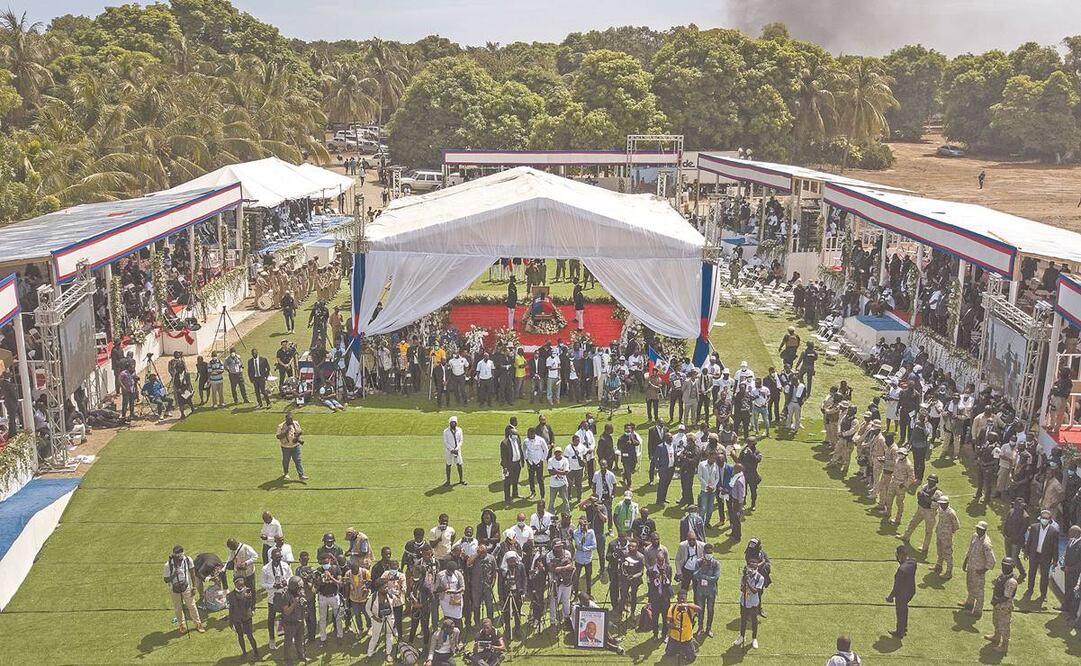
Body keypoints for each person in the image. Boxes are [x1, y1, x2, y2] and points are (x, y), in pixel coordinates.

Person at [163, 545, 205, 635]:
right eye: (178, 558)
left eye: (181, 558)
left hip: (186, 587)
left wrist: (194, 587)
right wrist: (174, 575)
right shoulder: (168, 565)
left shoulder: (187, 560)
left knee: (192, 606)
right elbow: (166, 579)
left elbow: (192, 573)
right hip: (174, 589)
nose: (180, 560)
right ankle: (182, 625)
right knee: (178, 607)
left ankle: (198, 624)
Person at [1023, 509, 1060, 602]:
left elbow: (1055, 547)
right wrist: (1026, 552)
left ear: (1050, 520)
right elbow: (1029, 541)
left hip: (1046, 557)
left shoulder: (1054, 531)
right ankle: (1029, 590)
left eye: (1046, 518)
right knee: (1031, 573)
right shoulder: (1034, 527)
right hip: (1034, 555)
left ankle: (1043, 594)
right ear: (1040, 518)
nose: (1044, 519)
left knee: (1044, 576)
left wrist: (1055, 560)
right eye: (1043, 518)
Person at [900, 474, 942, 553]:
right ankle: (906, 536)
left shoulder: (938, 493)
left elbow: (939, 505)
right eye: (929, 480)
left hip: (930, 512)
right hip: (921, 509)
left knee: (928, 531)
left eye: (932, 481)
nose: (930, 482)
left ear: (936, 482)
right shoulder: (925, 486)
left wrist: (930, 501)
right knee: (912, 523)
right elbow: (920, 494)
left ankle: (925, 547)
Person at [962, 520, 997, 616]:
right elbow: (970, 549)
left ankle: (977, 611)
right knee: (970, 585)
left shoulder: (986, 544)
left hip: (978, 570)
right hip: (971, 567)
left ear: (985, 530)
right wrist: (965, 561)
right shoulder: (975, 536)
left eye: (980, 529)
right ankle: (969, 603)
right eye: (977, 528)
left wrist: (983, 570)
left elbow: (992, 561)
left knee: (979, 591)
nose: (978, 530)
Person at [261, 547, 290, 648]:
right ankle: (272, 639)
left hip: (284, 595)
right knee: (271, 618)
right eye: (277, 558)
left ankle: (283, 634)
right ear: (272, 557)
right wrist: (272, 586)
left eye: (280, 557)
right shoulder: (265, 569)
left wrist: (286, 581)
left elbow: (291, 577)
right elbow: (262, 584)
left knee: (285, 616)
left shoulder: (285, 565)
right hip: (272, 596)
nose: (279, 559)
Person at [226, 574, 259, 661]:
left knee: (250, 636)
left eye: (242, 583)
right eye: (239, 583)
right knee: (240, 636)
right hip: (237, 619)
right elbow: (231, 608)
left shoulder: (248, 591)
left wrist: (249, 600)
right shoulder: (231, 595)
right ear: (235, 584)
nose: (241, 584)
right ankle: (244, 652)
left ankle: (256, 652)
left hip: (246, 618)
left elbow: (249, 606)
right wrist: (230, 621)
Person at [886, 545, 916, 639]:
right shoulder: (913, 562)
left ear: (900, 555)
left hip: (902, 594)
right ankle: (904, 628)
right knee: (904, 609)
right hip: (910, 591)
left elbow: (897, 586)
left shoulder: (901, 570)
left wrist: (891, 596)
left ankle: (900, 632)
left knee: (900, 612)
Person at [277, 576, 308, 666]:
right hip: (289, 623)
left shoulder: (299, 593)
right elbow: (286, 612)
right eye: (300, 586)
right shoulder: (285, 595)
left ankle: (301, 655)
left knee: (300, 639)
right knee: (288, 642)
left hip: (299, 620)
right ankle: (287, 660)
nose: (301, 588)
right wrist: (295, 603)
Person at [735, 560, 765, 649]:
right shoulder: (744, 576)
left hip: (753, 603)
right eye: (750, 567)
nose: (751, 569)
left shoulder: (760, 578)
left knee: (754, 621)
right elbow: (741, 589)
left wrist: (747, 582)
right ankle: (741, 636)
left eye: (753, 568)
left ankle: (754, 638)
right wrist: (744, 584)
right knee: (743, 620)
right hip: (744, 601)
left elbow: (755, 591)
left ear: (756, 569)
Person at [692, 543, 720, 637]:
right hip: (700, 591)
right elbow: (695, 576)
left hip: (711, 591)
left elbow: (715, 578)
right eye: (707, 552)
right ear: (703, 552)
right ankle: (700, 628)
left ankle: (709, 628)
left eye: (710, 552)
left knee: (710, 609)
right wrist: (701, 569)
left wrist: (703, 577)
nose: (709, 554)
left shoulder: (716, 563)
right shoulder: (699, 562)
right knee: (700, 609)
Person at [665, 591, 700, 661]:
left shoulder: (690, 608)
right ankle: (679, 648)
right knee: (669, 654)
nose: (681, 600)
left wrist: (686, 605)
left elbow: (699, 609)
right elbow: (668, 623)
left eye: (683, 599)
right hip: (674, 638)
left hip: (687, 638)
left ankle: (692, 644)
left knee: (691, 658)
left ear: (686, 599)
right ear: (677, 599)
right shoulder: (672, 608)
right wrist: (676, 628)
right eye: (680, 598)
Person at [931, 496, 960, 578]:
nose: (941, 505)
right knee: (939, 550)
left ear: (947, 503)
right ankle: (938, 566)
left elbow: (956, 525)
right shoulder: (940, 509)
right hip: (939, 532)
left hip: (947, 536)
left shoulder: (951, 513)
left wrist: (950, 533)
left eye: (943, 504)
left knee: (947, 553)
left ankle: (949, 572)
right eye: (940, 503)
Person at [276, 413, 307, 481]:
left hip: (295, 446)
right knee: (286, 460)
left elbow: (299, 431)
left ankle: (301, 475)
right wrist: (286, 431)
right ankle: (286, 473)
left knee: (298, 460)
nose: (291, 421)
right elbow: (278, 436)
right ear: (286, 420)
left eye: (291, 419)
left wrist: (297, 437)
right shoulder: (281, 426)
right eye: (289, 420)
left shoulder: (295, 423)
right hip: (285, 447)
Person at [499, 424, 523, 505]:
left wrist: (521, 461)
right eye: (515, 435)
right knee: (507, 483)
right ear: (510, 434)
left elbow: (520, 450)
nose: (516, 436)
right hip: (509, 465)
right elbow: (503, 457)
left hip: (517, 464)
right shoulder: (504, 443)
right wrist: (505, 468)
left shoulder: (517, 440)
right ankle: (507, 499)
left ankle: (515, 494)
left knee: (515, 480)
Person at [524, 426, 549, 499]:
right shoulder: (526, 441)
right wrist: (526, 460)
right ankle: (533, 492)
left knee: (540, 479)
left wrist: (542, 459)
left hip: (539, 462)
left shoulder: (540, 440)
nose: (528, 435)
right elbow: (524, 450)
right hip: (530, 462)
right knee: (531, 478)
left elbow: (546, 450)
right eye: (528, 434)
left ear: (534, 433)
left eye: (530, 434)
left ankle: (542, 495)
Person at [443, 416, 466, 487]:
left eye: (454, 423)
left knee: (459, 464)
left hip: (457, 450)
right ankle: (448, 481)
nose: (453, 424)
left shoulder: (459, 430)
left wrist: (457, 448)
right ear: (449, 423)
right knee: (448, 464)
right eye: (452, 423)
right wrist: (451, 449)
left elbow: (461, 440)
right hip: (449, 451)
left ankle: (461, 480)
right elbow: (445, 442)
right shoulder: (445, 431)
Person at [547, 447, 571, 515]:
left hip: (563, 484)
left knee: (565, 500)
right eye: (556, 452)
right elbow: (550, 472)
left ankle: (567, 513)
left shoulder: (565, 460)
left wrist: (555, 471)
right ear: (554, 453)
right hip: (553, 485)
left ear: (561, 453)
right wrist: (560, 471)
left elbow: (566, 472)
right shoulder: (550, 460)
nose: (558, 454)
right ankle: (550, 514)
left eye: (559, 452)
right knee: (551, 501)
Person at [654, 433, 676, 505]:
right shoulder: (660, 447)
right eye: (669, 437)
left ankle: (664, 498)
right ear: (665, 438)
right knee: (662, 485)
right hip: (663, 469)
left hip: (671, 468)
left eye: (671, 437)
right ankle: (659, 500)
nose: (671, 438)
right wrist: (658, 467)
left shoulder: (674, 446)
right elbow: (655, 458)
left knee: (667, 484)